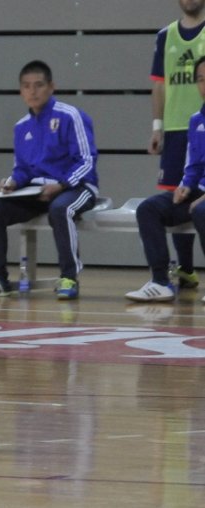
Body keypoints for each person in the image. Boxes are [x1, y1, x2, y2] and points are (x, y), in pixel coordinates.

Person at [0, 60, 99, 301]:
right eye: (27, 86)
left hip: (77, 186)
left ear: (51, 87)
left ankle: (69, 277)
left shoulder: (71, 116)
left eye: (39, 85)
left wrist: (60, 185)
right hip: (37, 191)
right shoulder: (21, 127)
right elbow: (22, 169)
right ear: (21, 91)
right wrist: (12, 183)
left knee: (61, 209)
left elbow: (86, 161)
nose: (33, 91)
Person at [127, 56, 205, 302]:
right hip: (198, 192)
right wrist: (185, 186)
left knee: (202, 211)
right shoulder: (196, 120)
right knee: (149, 209)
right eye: (201, 79)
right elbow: (193, 165)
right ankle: (161, 281)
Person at [144, 0, 205, 294]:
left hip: (202, 128)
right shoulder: (165, 36)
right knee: (175, 198)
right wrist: (157, 126)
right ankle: (186, 270)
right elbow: (159, 84)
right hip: (176, 130)